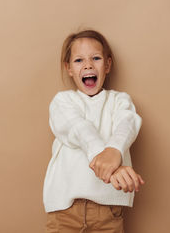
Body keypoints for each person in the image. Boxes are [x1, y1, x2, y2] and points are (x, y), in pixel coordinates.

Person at [43, 29, 144, 232]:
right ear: (68, 68)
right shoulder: (63, 101)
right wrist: (109, 162)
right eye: (79, 60)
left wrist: (114, 150)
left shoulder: (119, 100)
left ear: (107, 65)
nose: (88, 64)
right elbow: (79, 129)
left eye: (95, 58)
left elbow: (127, 125)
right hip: (65, 210)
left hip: (108, 211)